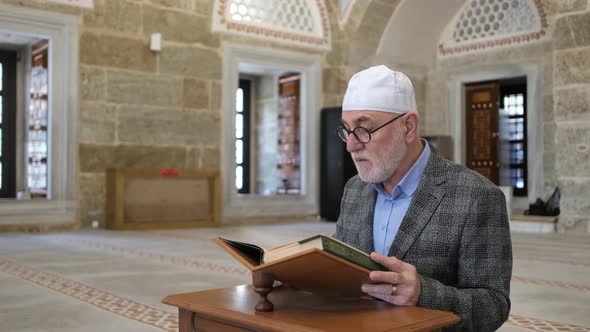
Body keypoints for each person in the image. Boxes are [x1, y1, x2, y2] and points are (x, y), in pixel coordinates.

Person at [333, 65, 512, 331]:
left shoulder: (476, 196)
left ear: (408, 127)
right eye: (347, 130)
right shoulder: (355, 190)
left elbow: (493, 305)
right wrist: (300, 276)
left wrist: (423, 294)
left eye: (364, 129)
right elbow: (341, 268)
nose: (351, 145)